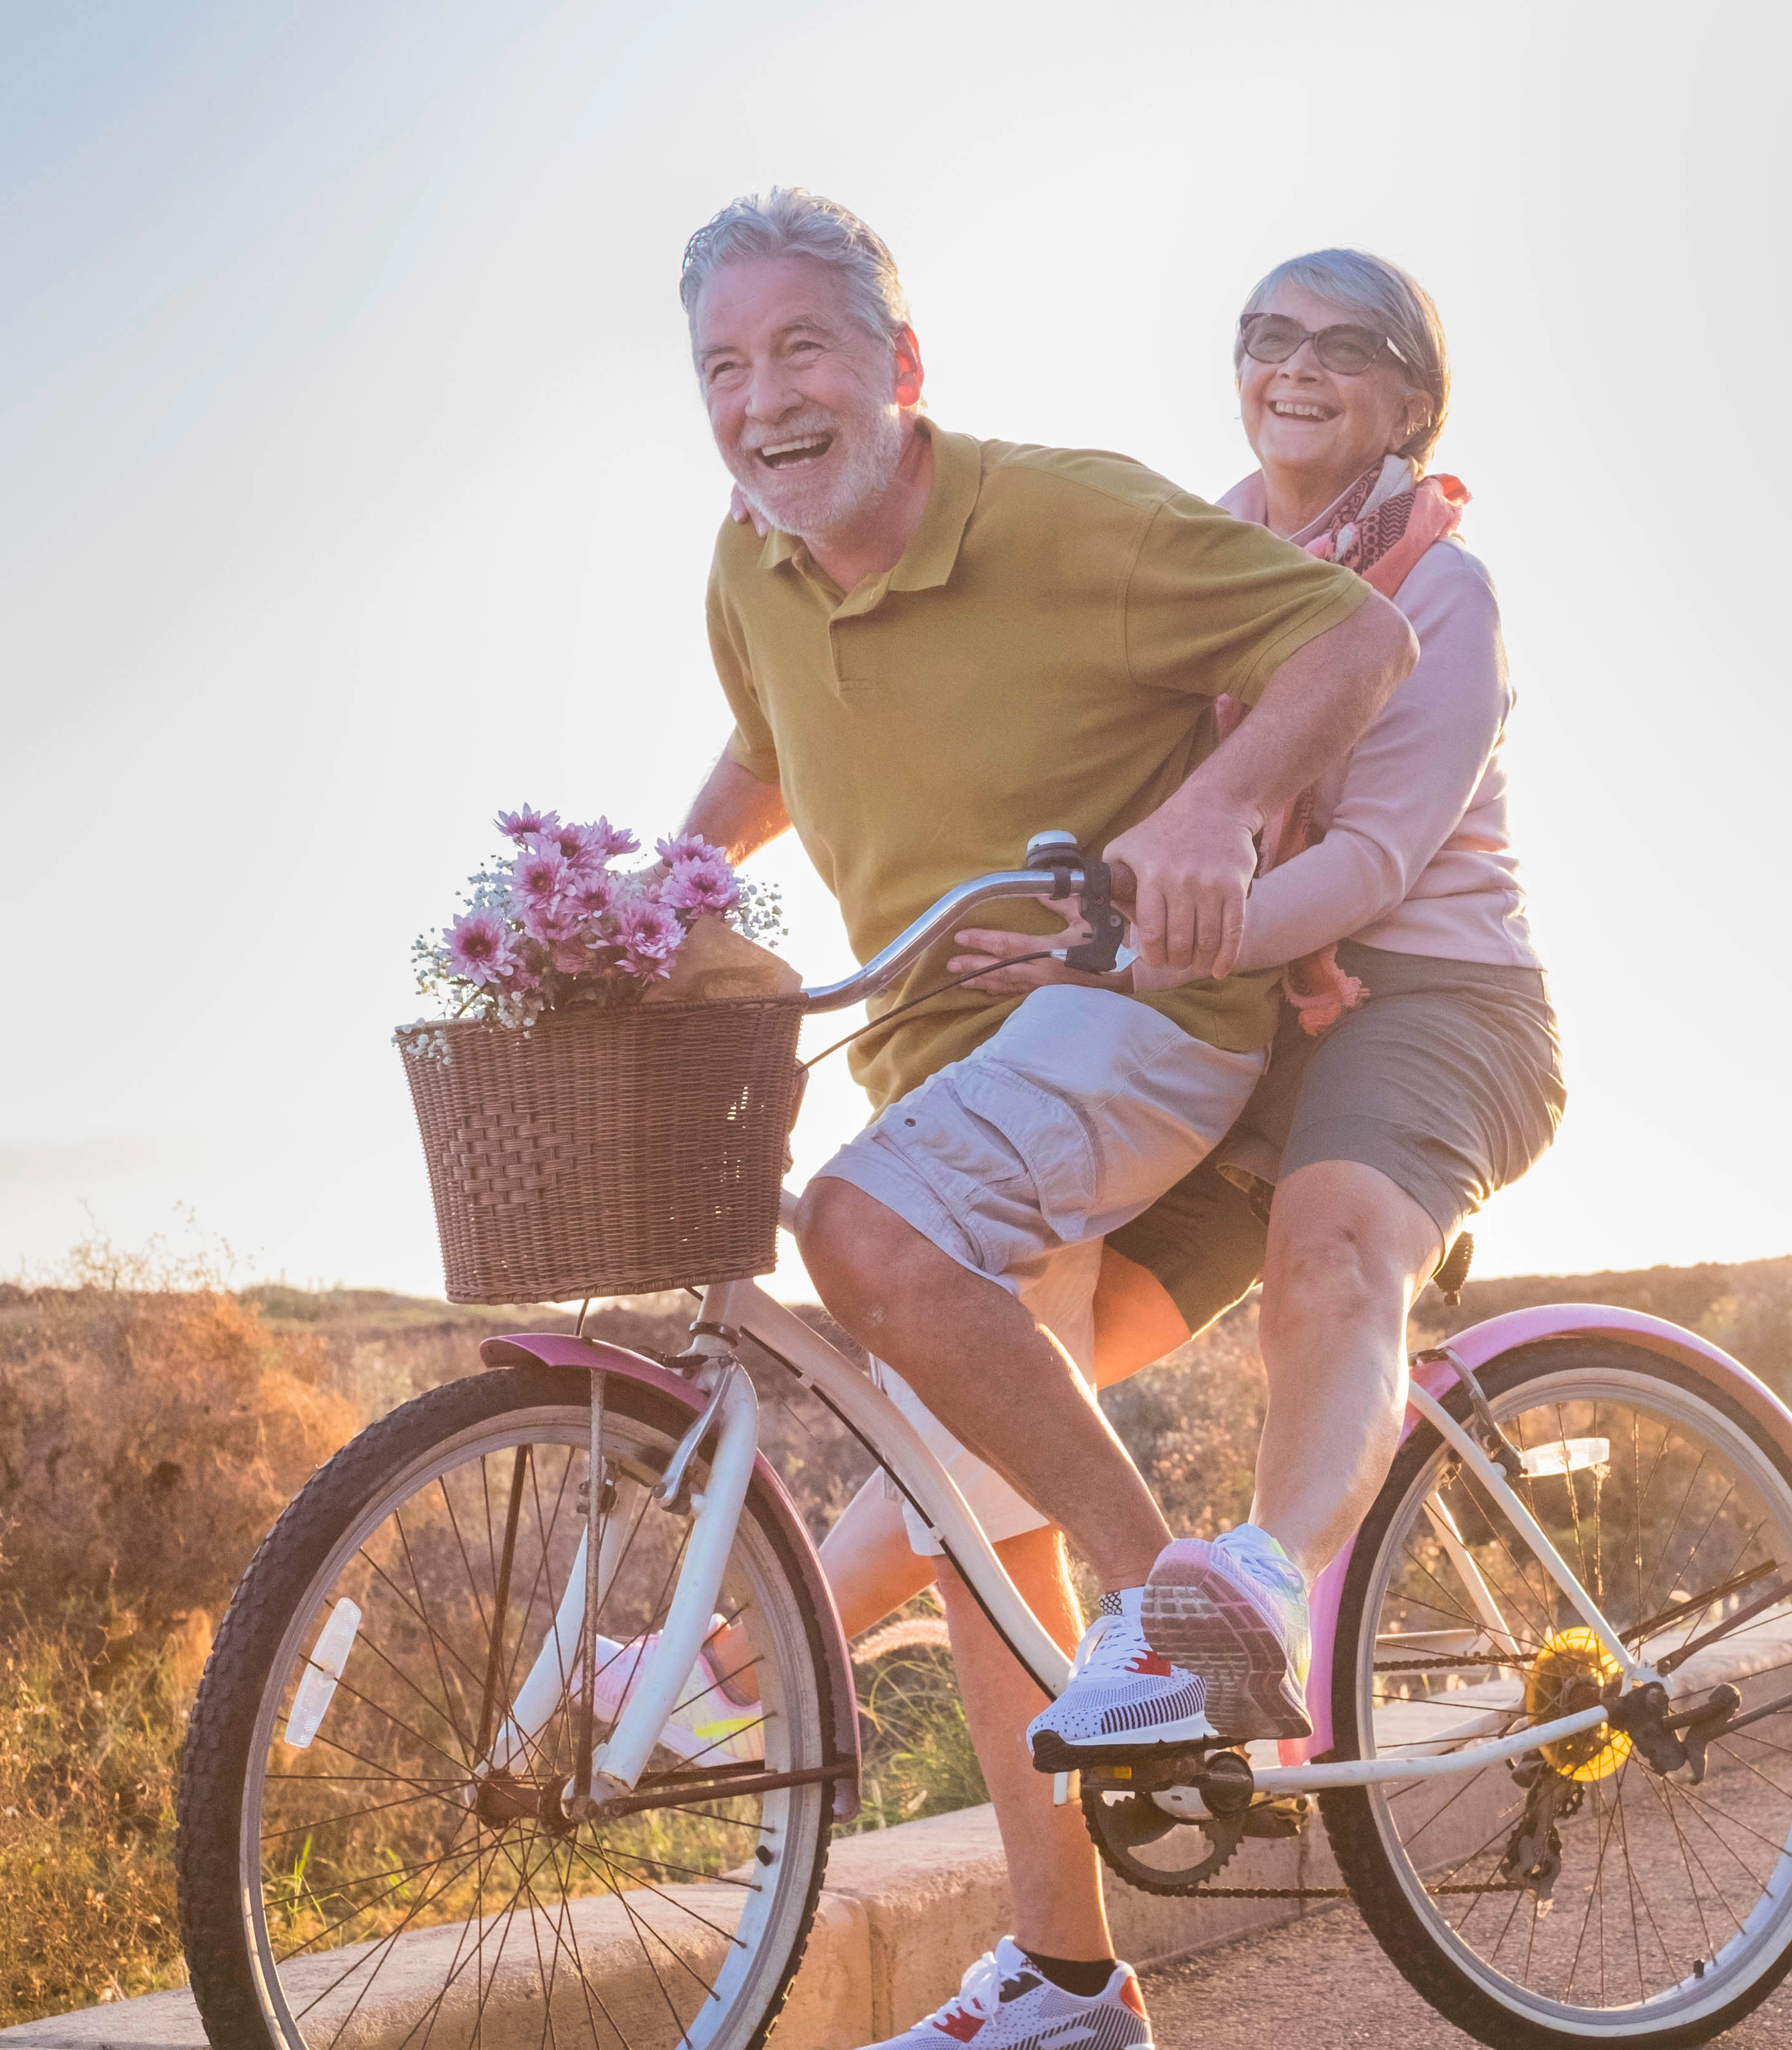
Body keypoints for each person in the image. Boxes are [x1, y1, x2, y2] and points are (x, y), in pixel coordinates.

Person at [670, 190, 1415, 2050]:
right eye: (724, 367)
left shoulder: (1061, 512)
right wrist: (653, 894)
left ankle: (1177, 1610)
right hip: (944, 1058)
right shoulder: (749, 569)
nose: (766, 400)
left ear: (900, 369)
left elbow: (1351, 643)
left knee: (859, 1227)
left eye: (804, 350)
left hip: (1138, 1015)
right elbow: (768, 752)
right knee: (978, 1516)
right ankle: (1072, 1979)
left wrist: (1222, 811)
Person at [817, 246, 1559, 2050]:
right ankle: (768, 1673)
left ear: (1412, 401)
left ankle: (1248, 1598)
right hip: (1231, 1023)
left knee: (1328, 1258)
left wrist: (1146, 947)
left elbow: (1372, 871)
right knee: (1001, 1381)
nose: (1298, 369)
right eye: (1268, 340)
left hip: (1427, 1007)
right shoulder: (1212, 543)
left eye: (1347, 348)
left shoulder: (1438, 590)